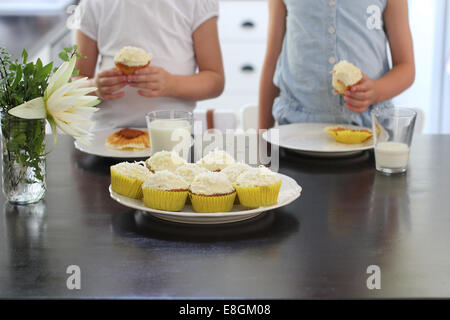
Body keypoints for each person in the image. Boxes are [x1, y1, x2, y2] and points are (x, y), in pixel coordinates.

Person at [258, 0, 415, 129]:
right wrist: (261, 135)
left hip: (368, 131)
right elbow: (272, 61)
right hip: (295, 130)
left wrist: (376, 91)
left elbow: (406, 66)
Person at [75, 0, 224, 131]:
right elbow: (73, 84)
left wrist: (172, 84)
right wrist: (94, 86)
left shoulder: (197, 3)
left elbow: (215, 80)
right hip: (107, 135)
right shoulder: (93, 5)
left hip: (174, 136)